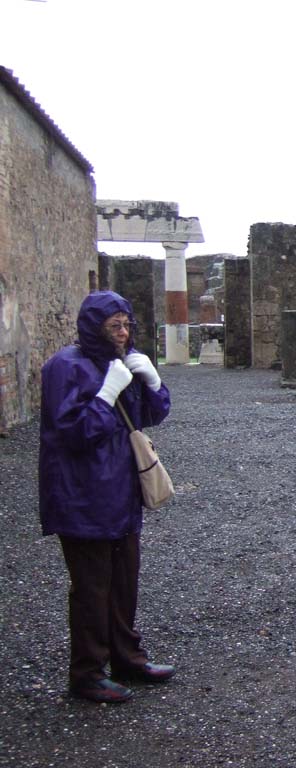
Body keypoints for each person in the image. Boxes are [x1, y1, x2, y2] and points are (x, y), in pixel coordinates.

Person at [38, 291, 174, 704]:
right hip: (80, 493)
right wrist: (103, 395)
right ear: (94, 327)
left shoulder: (116, 361)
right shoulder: (65, 367)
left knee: (123, 581)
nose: (122, 332)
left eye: (126, 324)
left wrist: (152, 383)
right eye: (113, 325)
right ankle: (87, 672)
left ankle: (126, 657)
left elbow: (147, 416)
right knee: (92, 586)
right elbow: (72, 433)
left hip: (119, 490)